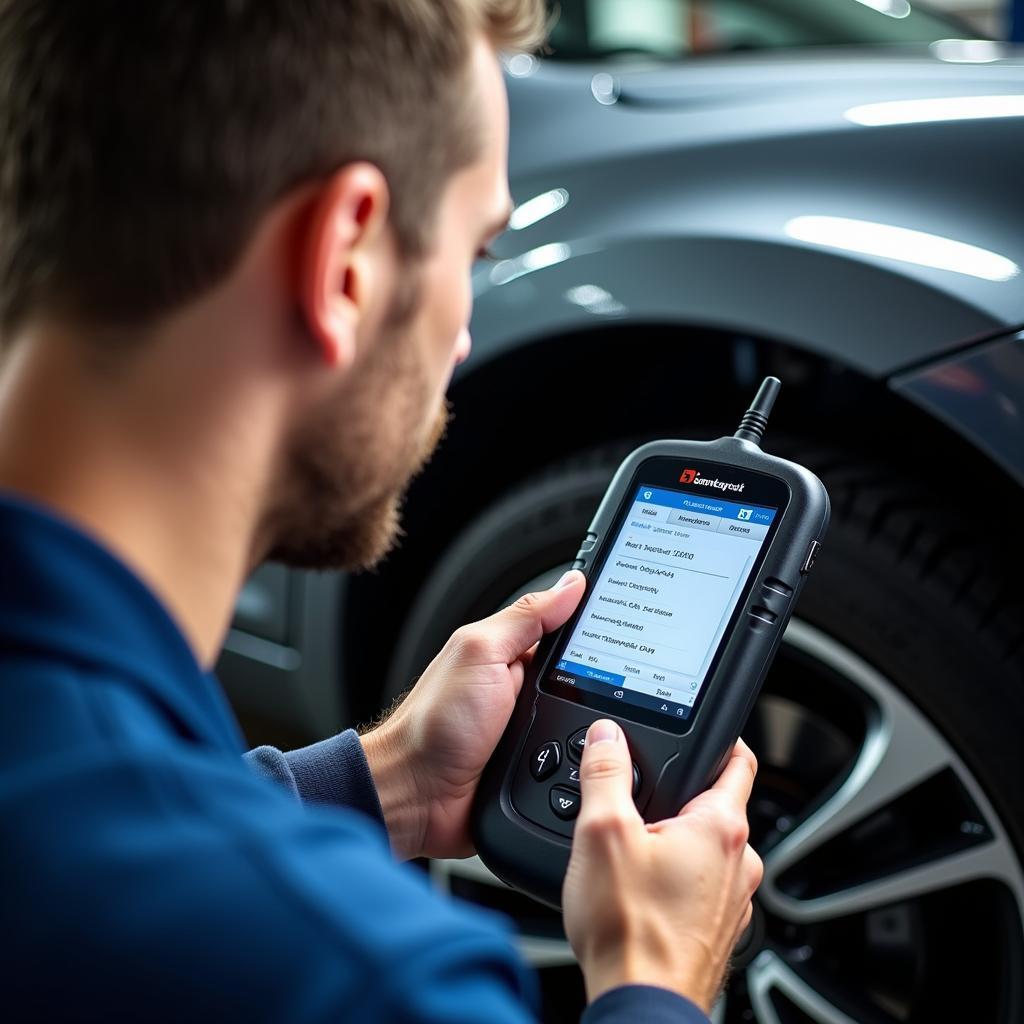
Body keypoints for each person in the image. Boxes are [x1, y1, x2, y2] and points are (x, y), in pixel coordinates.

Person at [0, 2, 762, 1021]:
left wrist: (385, 780)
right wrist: (656, 977)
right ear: (345, 260)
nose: (461, 337)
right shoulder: (361, 975)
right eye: (476, 253)